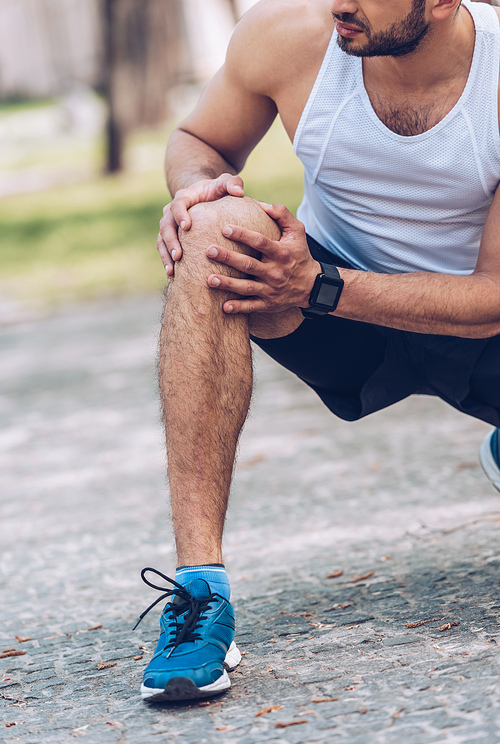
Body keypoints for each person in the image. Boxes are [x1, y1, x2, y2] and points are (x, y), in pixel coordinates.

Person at [135, 0, 500, 702]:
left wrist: (322, 287)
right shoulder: (288, 37)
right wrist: (194, 187)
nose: (339, 3)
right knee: (213, 232)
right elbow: (196, 137)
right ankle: (199, 595)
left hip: (472, 328)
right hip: (335, 314)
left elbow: (492, 297)